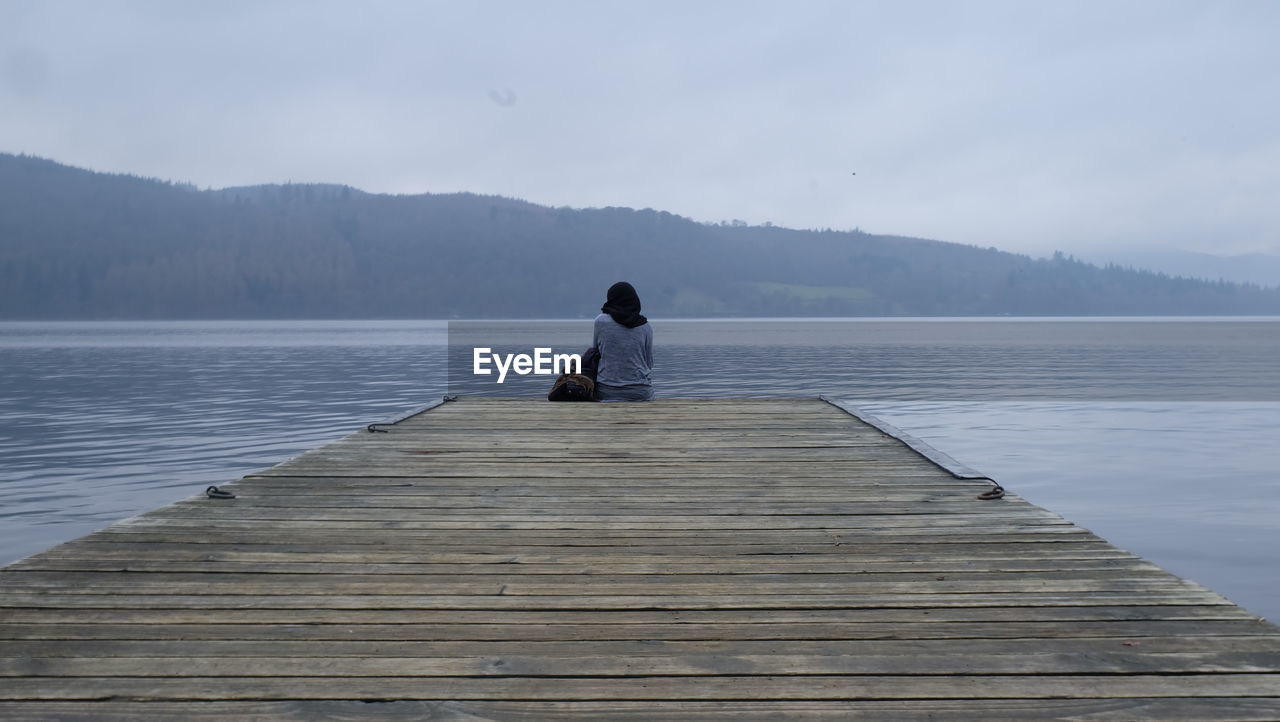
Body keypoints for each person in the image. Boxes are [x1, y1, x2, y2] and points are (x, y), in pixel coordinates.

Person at [592, 281, 654, 401]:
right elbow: (648, 363)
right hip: (640, 392)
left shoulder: (600, 322)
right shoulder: (646, 326)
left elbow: (595, 353)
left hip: (606, 391)